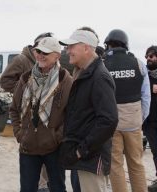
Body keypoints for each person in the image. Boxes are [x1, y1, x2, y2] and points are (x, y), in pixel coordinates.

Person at [59, 28, 119, 192]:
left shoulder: (99, 76)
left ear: (86, 48)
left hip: (92, 156)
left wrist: (81, 150)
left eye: (72, 46)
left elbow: (109, 120)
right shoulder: (84, 73)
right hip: (84, 155)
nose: (68, 50)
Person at [10, 37, 72, 192]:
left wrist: (57, 137)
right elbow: (14, 109)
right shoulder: (25, 78)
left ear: (57, 56)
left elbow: (71, 115)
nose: (40, 55)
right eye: (38, 51)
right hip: (28, 147)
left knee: (58, 188)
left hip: (54, 148)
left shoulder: (65, 80)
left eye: (46, 52)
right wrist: (20, 134)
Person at [103, 29, 150, 192]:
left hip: (111, 124)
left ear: (108, 44)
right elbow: (146, 97)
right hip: (134, 122)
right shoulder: (138, 63)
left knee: (116, 166)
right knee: (136, 163)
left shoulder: (102, 64)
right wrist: (140, 119)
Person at [144, 45, 157, 192]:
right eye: (147, 56)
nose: (148, 59)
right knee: (155, 151)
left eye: (152, 56)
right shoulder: (144, 75)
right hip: (150, 122)